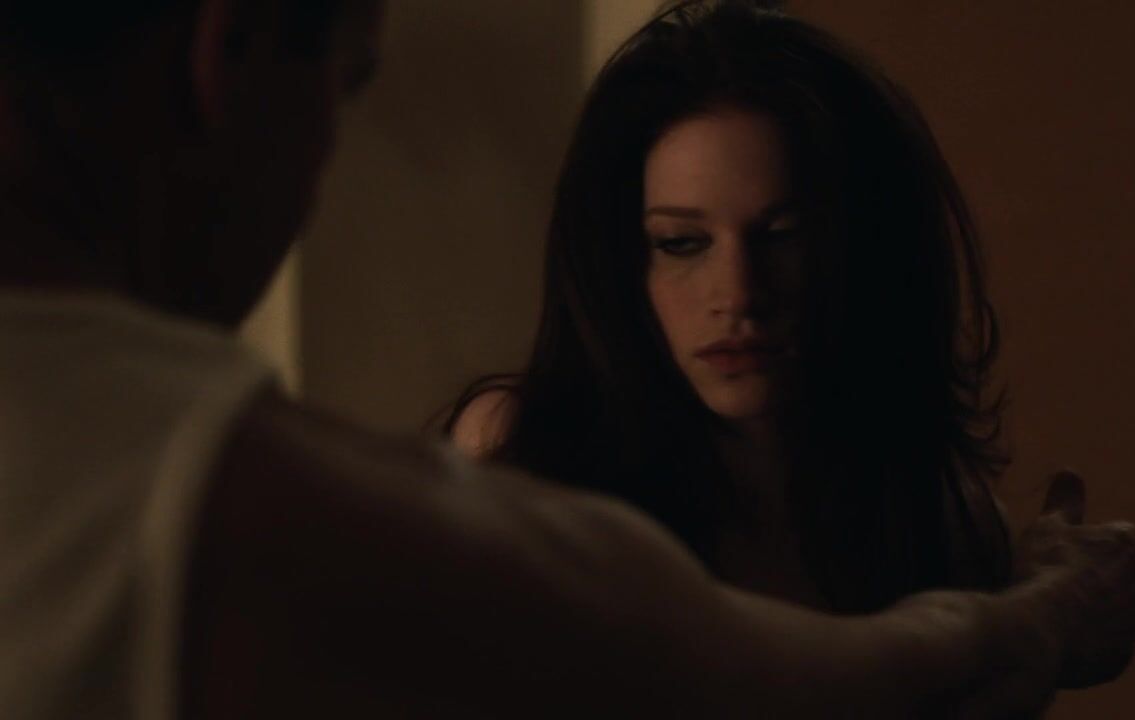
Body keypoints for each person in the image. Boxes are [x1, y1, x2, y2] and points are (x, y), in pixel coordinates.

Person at [2, 1, 1135, 718]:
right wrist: (1043, 615)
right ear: (228, 49)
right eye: (345, 90)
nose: (737, 291)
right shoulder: (234, 483)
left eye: (785, 236)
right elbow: (775, 686)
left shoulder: (924, 500)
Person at [448, 0, 1007, 613]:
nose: (738, 294)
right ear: (616, 261)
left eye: (783, 236)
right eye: (681, 243)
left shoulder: (936, 512)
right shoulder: (524, 451)